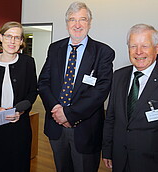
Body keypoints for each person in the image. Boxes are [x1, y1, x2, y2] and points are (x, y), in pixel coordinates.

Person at [102, 24, 158, 172]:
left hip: (155, 165)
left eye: (145, 46)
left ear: (157, 48)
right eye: (133, 46)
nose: (138, 52)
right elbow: (111, 117)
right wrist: (107, 149)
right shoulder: (118, 76)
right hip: (120, 160)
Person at [38, 2, 115, 172]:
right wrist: (56, 109)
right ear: (66, 23)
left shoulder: (103, 52)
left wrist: (68, 114)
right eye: (72, 20)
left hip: (85, 130)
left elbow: (101, 90)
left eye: (82, 19)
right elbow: (43, 82)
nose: (77, 25)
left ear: (90, 22)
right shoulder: (55, 48)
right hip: (56, 126)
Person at [0, 21, 38, 172]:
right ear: (0, 37)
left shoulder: (28, 63)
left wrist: (21, 110)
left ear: (22, 42)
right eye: (9, 36)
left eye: (17, 38)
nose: (12, 41)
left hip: (19, 127)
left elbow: (32, 91)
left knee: (18, 165)